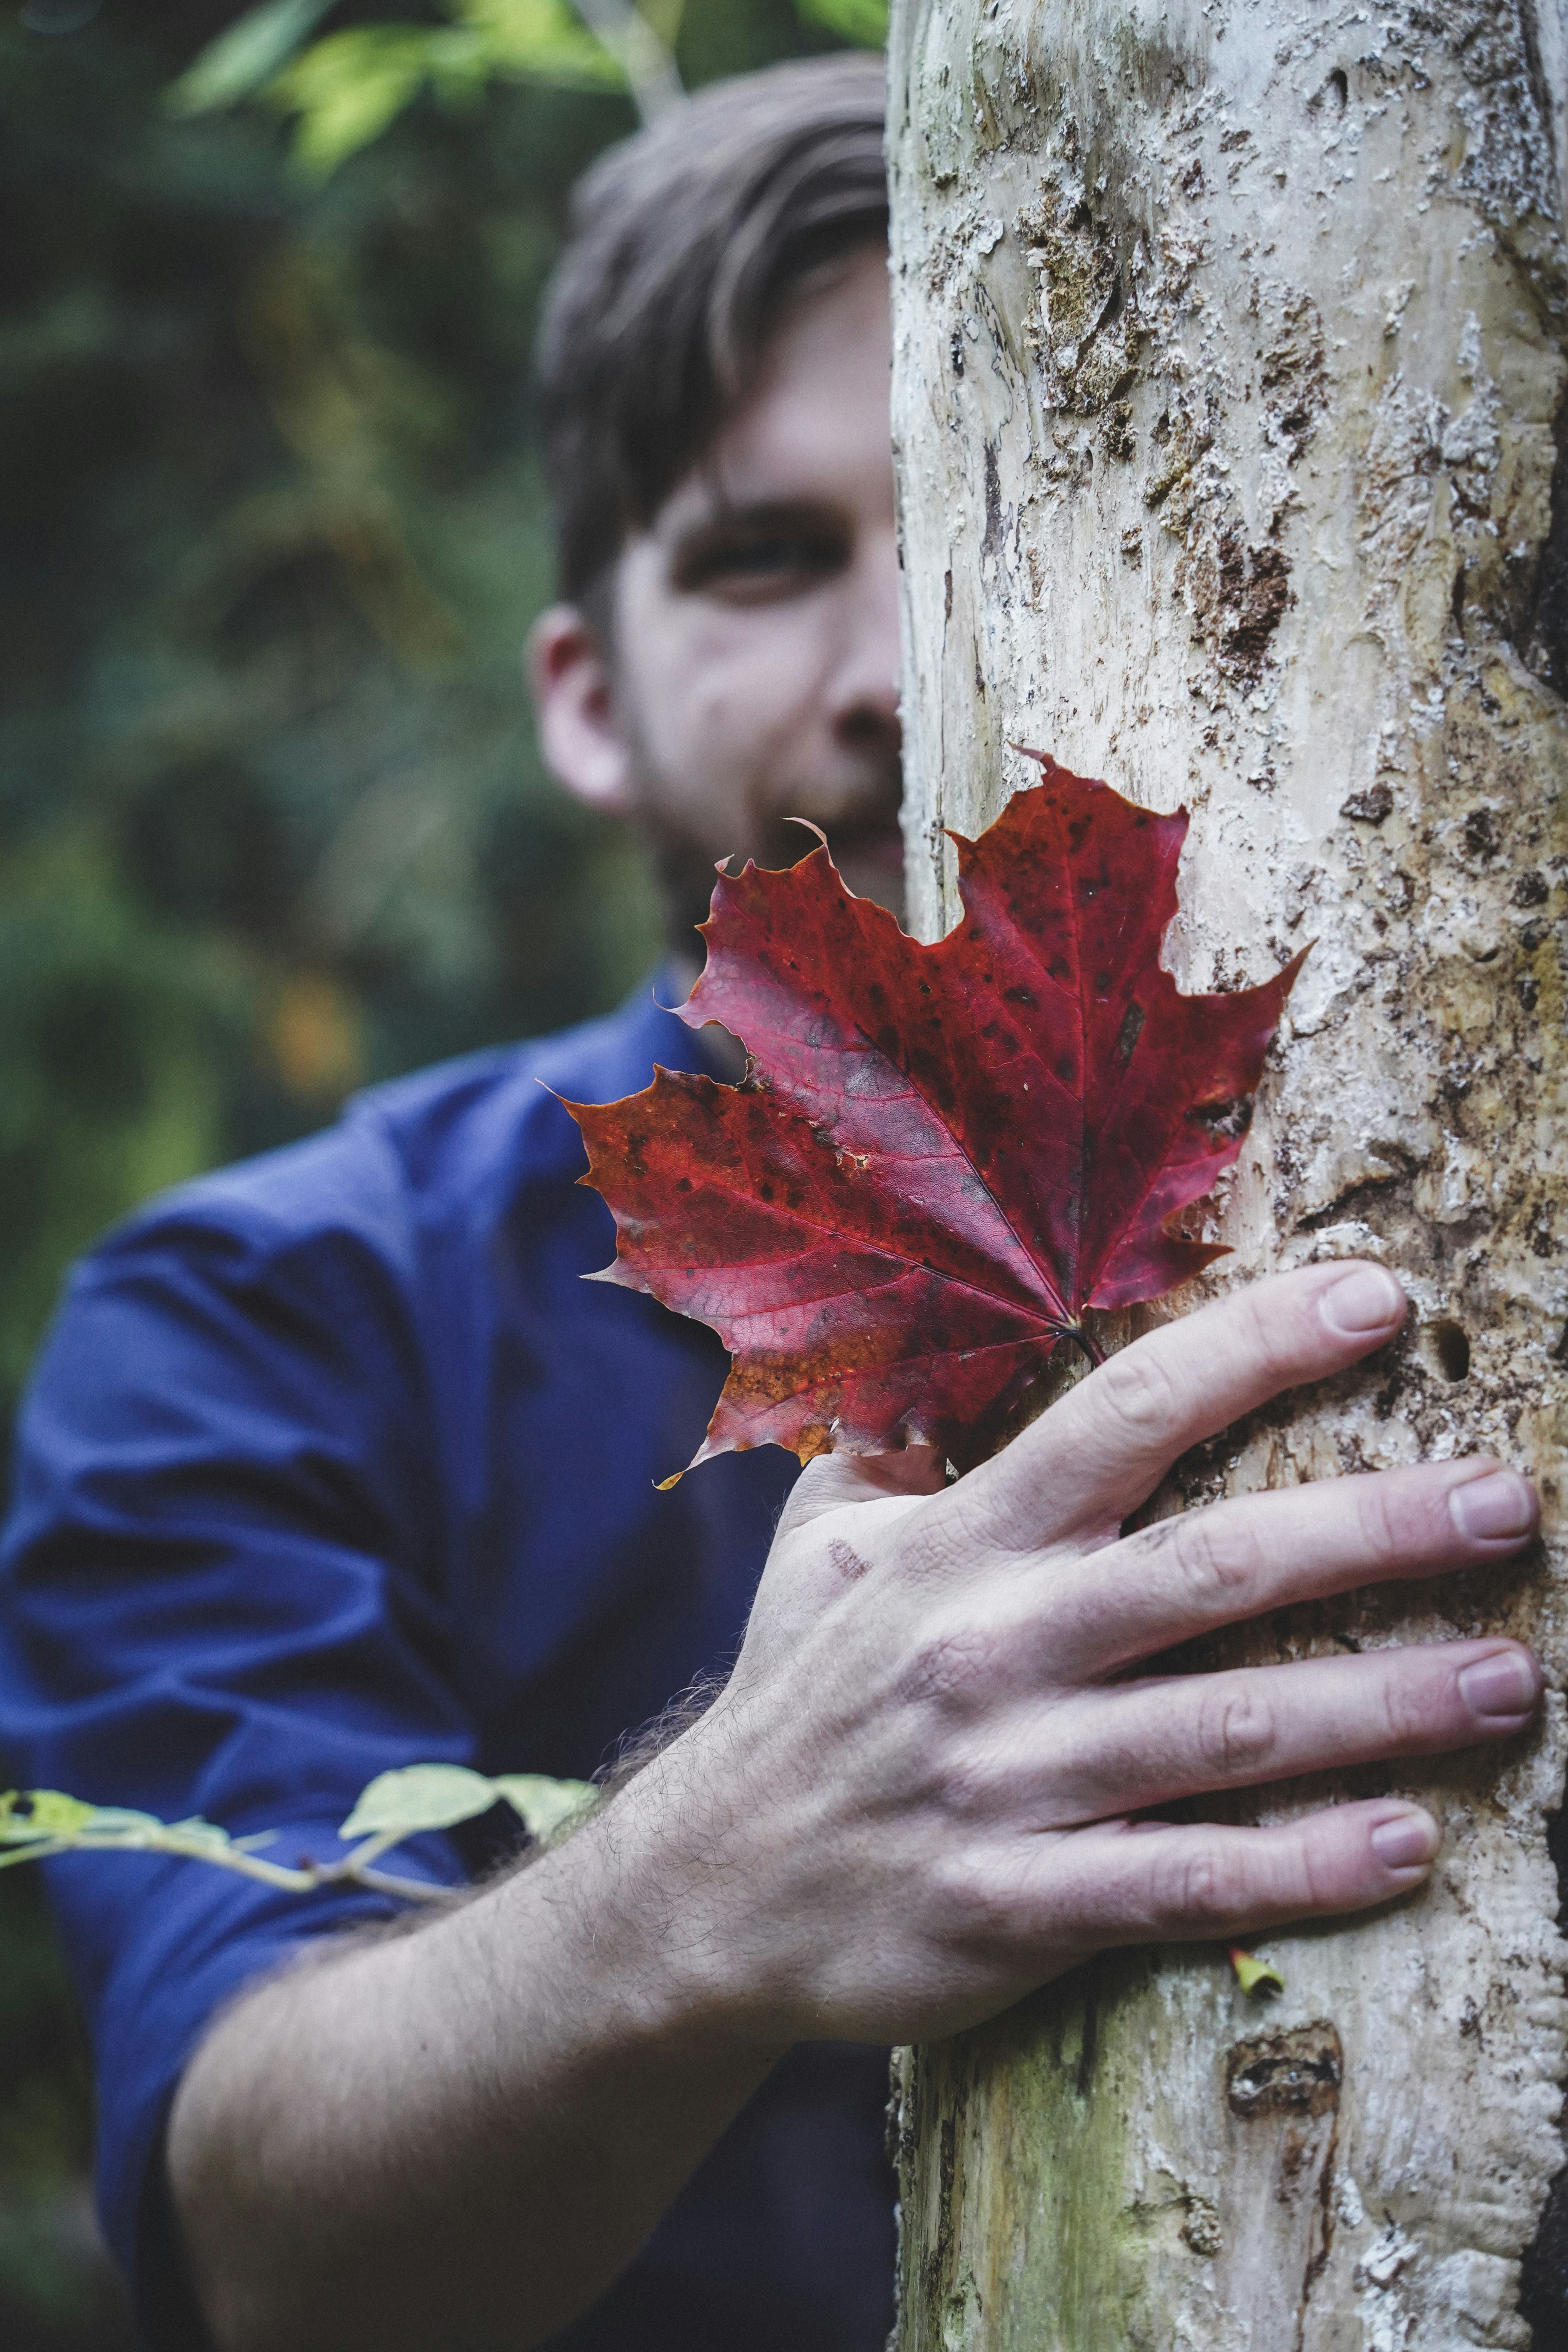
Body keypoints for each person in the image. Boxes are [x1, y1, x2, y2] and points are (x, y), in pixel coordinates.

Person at [0, 52, 1545, 2352]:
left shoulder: (1473, 1166)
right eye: (765, 553)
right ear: (583, 698)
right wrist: (701, 1881)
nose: (905, 662)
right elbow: (263, 2246)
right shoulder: (265, 1317)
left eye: (979, 498)